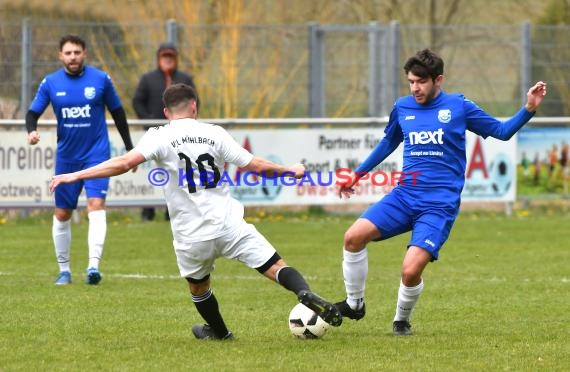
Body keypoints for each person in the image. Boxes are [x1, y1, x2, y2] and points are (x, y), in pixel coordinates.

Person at [50, 83, 342, 340]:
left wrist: (75, 175)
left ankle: (220, 332)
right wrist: (289, 170)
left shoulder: (159, 136)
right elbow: (254, 166)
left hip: (191, 234)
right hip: (228, 224)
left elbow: (125, 163)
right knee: (275, 265)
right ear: (194, 107)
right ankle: (302, 292)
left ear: (166, 112)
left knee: (198, 287)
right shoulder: (214, 133)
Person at [334, 49, 546, 336]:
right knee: (353, 237)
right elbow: (388, 144)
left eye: (421, 82)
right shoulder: (403, 107)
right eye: (411, 81)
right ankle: (354, 304)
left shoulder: (459, 106)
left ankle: (401, 320)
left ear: (438, 80)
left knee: (410, 271)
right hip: (404, 196)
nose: (415, 88)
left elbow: (502, 131)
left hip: (438, 205)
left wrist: (528, 108)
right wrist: (356, 175)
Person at [26, 34, 136, 286]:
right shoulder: (50, 83)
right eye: (68, 53)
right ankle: (64, 270)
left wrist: (129, 149)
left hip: (97, 153)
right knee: (63, 213)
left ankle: (93, 267)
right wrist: (31, 130)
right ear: (60, 55)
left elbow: (118, 112)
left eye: (77, 52)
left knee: (96, 205)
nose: (73, 57)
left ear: (84, 53)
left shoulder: (100, 79)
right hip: (67, 157)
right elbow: (33, 112)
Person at [133, 41, 196, 222]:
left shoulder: (185, 79)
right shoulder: (148, 79)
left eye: (171, 57)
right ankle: (148, 211)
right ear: (158, 58)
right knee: (151, 173)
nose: (168, 60)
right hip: (154, 133)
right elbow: (137, 101)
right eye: (164, 56)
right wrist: (148, 121)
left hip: (180, 136)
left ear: (176, 59)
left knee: (177, 171)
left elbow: (194, 101)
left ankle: (173, 211)